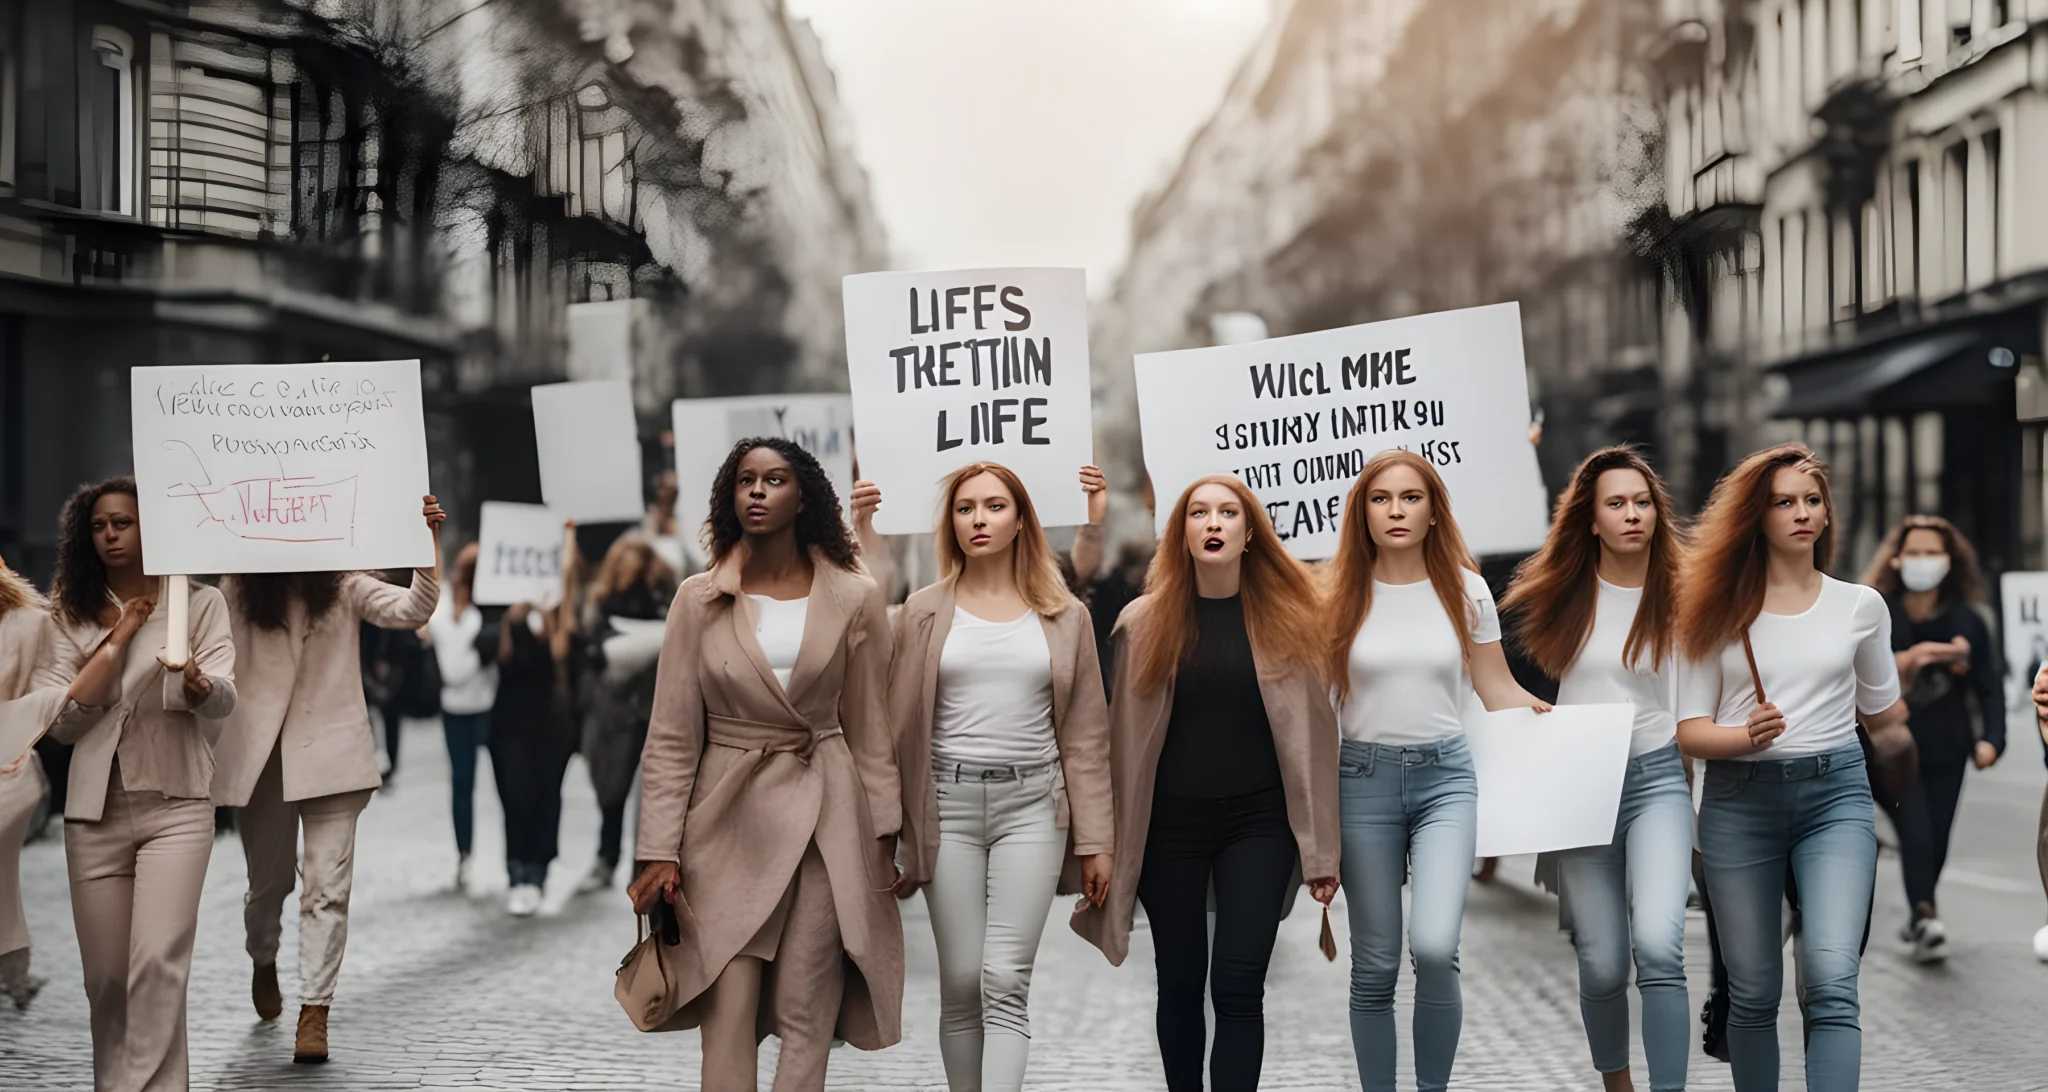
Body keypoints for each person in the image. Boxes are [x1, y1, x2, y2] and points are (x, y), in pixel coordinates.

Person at [627, 437, 901, 1092]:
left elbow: (870, 727)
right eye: (745, 480)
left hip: (824, 821)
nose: (757, 490)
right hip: (725, 824)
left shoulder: (854, 597)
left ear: (803, 495)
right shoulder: (698, 598)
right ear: (729, 495)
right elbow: (669, 735)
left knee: (808, 1008)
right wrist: (658, 849)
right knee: (730, 1010)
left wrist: (887, 833)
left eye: (775, 479)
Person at [1072, 474, 1339, 1092]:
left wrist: (1323, 851)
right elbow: (1121, 746)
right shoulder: (1142, 624)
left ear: (1250, 534)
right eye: (1198, 513)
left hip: (1260, 823)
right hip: (1171, 827)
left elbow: (1316, 743)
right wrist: (1105, 842)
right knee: (1182, 983)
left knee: (1240, 984)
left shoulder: (1292, 622)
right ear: (1181, 532)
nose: (1212, 523)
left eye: (1227, 513)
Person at [1674, 443, 1910, 1092]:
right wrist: (1742, 736)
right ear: (1757, 517)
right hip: (1738, 805)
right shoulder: (1713, 609)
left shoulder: (1861, 607)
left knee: (1832, 978)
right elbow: (1689, 730)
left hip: (1834, 797)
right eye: (1783, 502)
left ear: (1827, 515)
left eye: (1812, 500)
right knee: (1752, 991)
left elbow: (1884, 713)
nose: (1801, 512)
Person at [876, 462, 1113, 1092]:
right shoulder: (920, 614)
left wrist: (1096, 840)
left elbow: (1087, 739)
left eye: (994, 506)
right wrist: (863, 534)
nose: (979, 519)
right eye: (965, 508)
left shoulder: (1064, 616)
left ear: (1020, 519)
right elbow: (885, 717)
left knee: (1005, 978)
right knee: (959, 982)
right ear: (950, 523)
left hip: (1033, 806)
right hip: (944, 808)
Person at [1324, 450, 1551, 1092]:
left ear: (1432, 512)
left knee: (1433, 948)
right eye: (1381, 498)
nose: (1396, 510)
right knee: (1374, 964)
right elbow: (1312, 707)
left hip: (1444, 782)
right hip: (1360, 783)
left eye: (1410, 497)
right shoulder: (1335, 593)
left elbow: (1497, 688)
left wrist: (1563, 726)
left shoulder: (1466, 588)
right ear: (1362, 512)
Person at [209, 496, 443, 1064]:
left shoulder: (343, 582)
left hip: (332, 751)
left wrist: (425, 541)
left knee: (327, 890)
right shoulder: (237, 585)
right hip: (261, 759)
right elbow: (217, 659)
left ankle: (315, 1012)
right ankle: (263, 955)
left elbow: (413, 609)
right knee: (268, 889)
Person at [1502, 447, 1691, 1092]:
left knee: (1662, 947)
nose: (1633, 514)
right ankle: (1616, 1082)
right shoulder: (1556, 594)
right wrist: (1521, 458)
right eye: (1616, 504)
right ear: (1591, 518)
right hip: (1581, 786)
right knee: (1603, 962)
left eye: (1642, 502)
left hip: (1659, 778)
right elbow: (1493, 656)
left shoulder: (1689, 594)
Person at [40, 476, 237, 1091]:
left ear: (153, 528)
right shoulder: (67, 614)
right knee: (105, 979)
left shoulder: (200, 604)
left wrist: (202, 686)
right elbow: (62, 724)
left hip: (176, 805)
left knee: (156, 964)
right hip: (92, 816)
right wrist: (119, 637)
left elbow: (225, 698)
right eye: (99, 526)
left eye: (122, 523)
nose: (109, 536)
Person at [1859, 514, 2002, 962]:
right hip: (1892, 751)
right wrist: (1917, 658)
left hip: (1949, 748)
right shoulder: (1878, 610)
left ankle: (1922, 910)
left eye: (1933, 553)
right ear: (1897, 559)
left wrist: (1992, 740)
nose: (1924, 561)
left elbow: (1989, 686)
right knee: (1917, 831)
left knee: (1937, 837)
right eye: (1915, 552)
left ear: (1950, 560)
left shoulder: (1968, 621)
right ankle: (1924, 913)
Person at [567, 533, 676, 894]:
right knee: (611, 789)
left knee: (652, 797)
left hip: (651, 710)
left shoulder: (664, 597)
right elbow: (592, 651)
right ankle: (608, 856)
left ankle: (638, 865)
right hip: (613, 713)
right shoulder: (602, 602)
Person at [483, 589, 571, 917]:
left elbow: (562, 655)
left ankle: (538, 871)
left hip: (550, 727)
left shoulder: (560, 617)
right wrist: (511, 619)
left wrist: (547, 618)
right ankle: (517, 872)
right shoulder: (501, 618)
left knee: (547, 797)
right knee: (516, 798)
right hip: (510, 727)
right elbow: (496, 654)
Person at [0, 556, 61, 1012]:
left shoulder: (31, 624)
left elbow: (52, 691)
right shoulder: (33, 623)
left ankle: (17, 976)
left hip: (12, 770)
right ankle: (17, 977)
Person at [424, 542, 496, 892]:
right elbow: (453, 670)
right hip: (457, 707)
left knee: (502, 782)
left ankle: (502, 858)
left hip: (486, 704)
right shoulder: (445, 614)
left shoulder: (486, 613)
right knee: (463, 783)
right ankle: (465, 853)